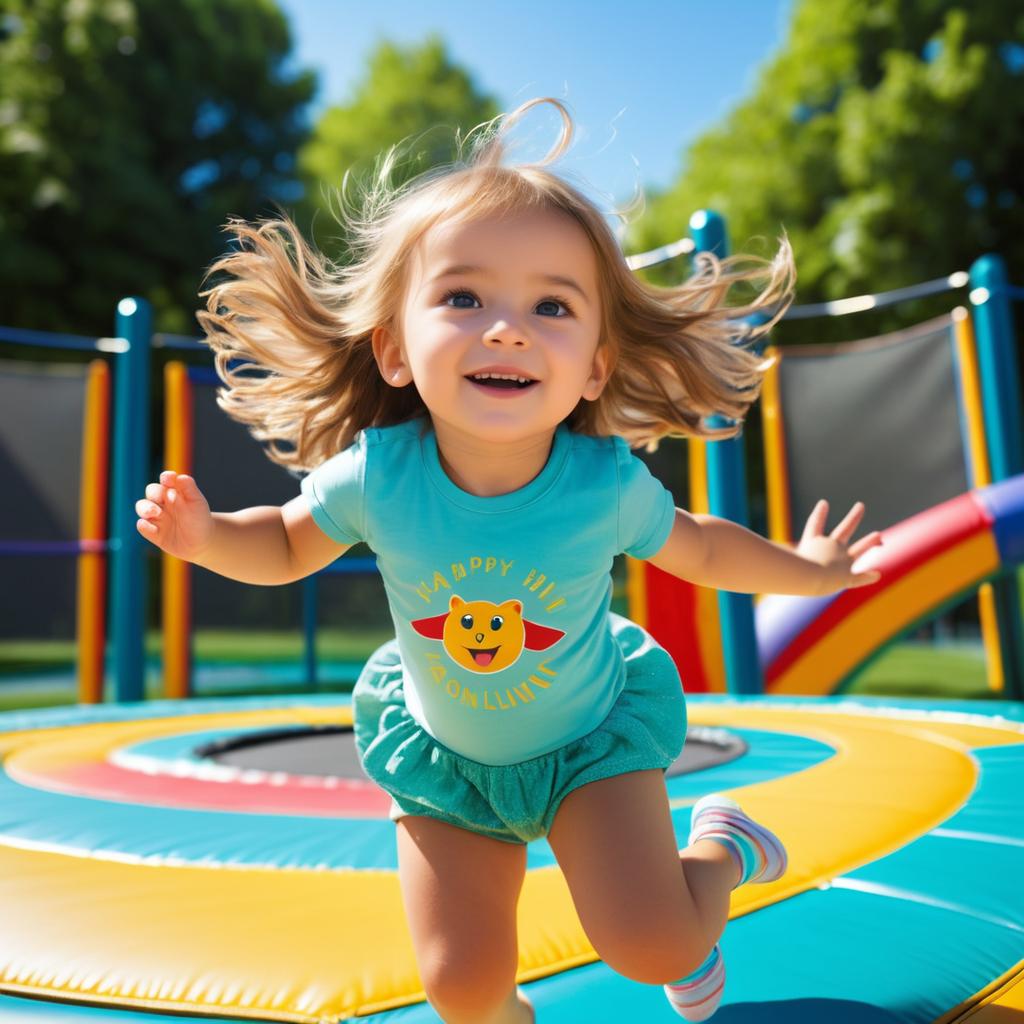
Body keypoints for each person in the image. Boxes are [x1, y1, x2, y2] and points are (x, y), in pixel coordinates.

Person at [136, 97, 883, 1023]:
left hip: (586, 747)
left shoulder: (597, 484)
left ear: (595, 370)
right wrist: (209, 538)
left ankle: (719, 852)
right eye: (463, 297)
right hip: (445, 760)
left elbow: (699, 546)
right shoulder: (382, 474)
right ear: (395, 349)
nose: (506, 328)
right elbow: (286, 544)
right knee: (462, 991)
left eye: (551, 305)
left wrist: (809, 571)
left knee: (656, 946)